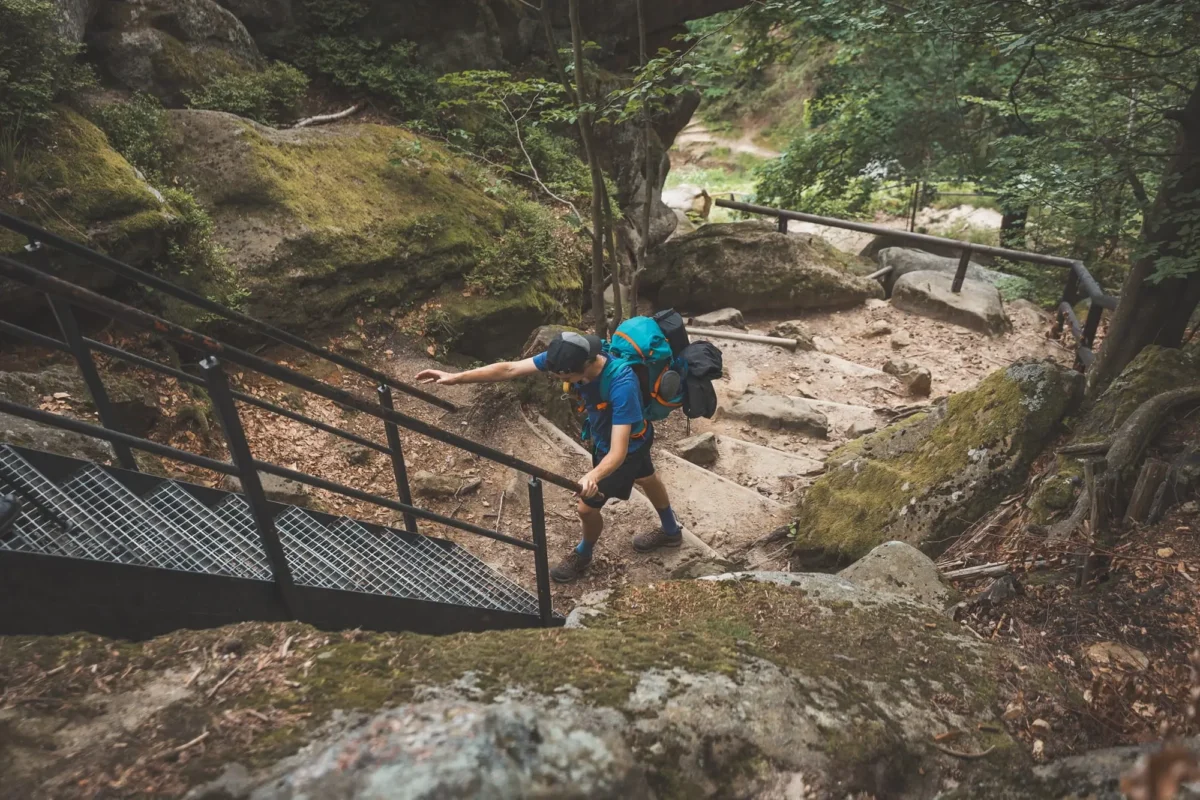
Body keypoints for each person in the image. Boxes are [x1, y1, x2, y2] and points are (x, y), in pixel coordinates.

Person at [415, 331, 683, 583]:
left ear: (576, 370)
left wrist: (593, 475)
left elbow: (618, 452)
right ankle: (671, 531)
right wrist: (456, 377)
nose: (555, 378)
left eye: (559, 377)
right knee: (647, 478)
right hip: (630, 435)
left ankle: (583, 553)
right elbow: (510, 368)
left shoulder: (621, 384)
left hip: (626, 449)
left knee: (586, 508)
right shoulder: (573, 353)